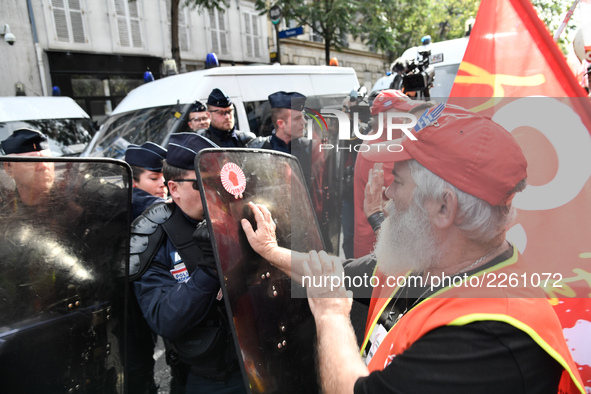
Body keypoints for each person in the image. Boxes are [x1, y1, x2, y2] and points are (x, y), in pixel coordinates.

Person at [240, 105, 585, 393]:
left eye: (398, 181)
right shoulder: (431, 257)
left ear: (443, 208)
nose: (387, 194)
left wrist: (331, 315)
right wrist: (270, 250)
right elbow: (333, 275)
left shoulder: (490, 336)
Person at [130, 132, 245, 394]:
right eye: (202, 184)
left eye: (219, 183)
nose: (215, 193)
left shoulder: (237, 216)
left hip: (261, 357)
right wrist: (208, 270)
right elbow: (164, 318)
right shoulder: (153, 237)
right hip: (212, 375)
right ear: (174, 188)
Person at [352, 90, 429, 258]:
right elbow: (408, 200)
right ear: (385, 121)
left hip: (383, 242)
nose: (412, 118)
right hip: (375, 248)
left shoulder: (383, 142)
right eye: (405, 114)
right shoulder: (379, 151)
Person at [1, 128, 55, 212]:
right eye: (33, 161)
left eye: (48, 159)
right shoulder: (5, 206)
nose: (43, 166)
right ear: (9, 168)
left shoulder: (74, 200)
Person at [125, 141, 168, 220]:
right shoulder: (131, 203)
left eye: (165, 177)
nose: (164, 183)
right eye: (154, 178)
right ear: (133, 182)